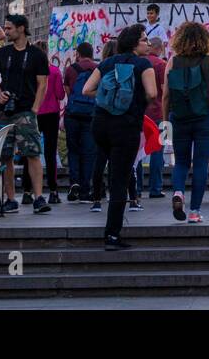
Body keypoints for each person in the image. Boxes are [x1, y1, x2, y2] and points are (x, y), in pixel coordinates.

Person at [81, 23, 158, 250]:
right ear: (135, 44)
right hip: (126, 125)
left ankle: (103, 212)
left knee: (105, 166)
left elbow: (87, 89)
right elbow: (152, 93)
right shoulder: (144, 64)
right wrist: (133, 100)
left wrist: (108, 97)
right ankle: (112, 235)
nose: (148, 43)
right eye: (144, 39)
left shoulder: (106, 63)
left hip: (101, 124)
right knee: (119, 180)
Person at [164, 21, 209, 223]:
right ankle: (194, 211)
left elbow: (166, 96)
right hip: (205, 118)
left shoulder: (172, 61)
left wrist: (165, 122)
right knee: (201, 163)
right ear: (205, 40)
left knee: (182, 162)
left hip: (179, 118)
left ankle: (178, 191)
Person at [0, 14, 52, 215]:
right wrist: (0, 94)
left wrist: (34, 108)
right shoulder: (2, 53)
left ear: (21, 28)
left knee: (32, 153)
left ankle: (39, 197)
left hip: (26, 110)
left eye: (9, 28)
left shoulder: (37, 55)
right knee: (4, 155)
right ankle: (10, 199)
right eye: (5, 29)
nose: (5, 32)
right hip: (4, 112)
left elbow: (43, 84)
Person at [62, 42, 98, 203]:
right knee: (89, 153)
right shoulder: (97, 68)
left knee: (73, 150)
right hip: (91, 115)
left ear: (79, 54)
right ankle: (85, 189)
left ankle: (74, 182)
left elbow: (68, 92)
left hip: (73, 115)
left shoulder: (71, 69)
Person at [33, 40, 66, 205]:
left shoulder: (30, 72)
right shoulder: (54, 71)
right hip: (51, 114)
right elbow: (60, 94)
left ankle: (27, 190)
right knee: (50, 152)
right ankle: (53, 191)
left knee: (30, 152)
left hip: (33, 113)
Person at [136, 35, 167, 199]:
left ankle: (137, 187)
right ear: (159, 48)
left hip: (141, 113)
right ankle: (156, 188)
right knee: (159, 151)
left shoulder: (140, 63)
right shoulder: (162, 64)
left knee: (139, 151)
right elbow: (165, 90)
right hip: (162, 113)